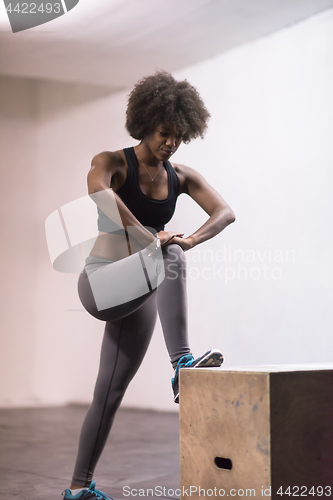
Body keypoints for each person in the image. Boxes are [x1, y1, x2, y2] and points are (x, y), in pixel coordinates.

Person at [62, 71, 235, 500]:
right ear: (145, 124)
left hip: (140, 290)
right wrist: (149, 236)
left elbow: (225, 212)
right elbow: (99, 193)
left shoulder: (182, 175)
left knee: (109, 392)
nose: (171, 143)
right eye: (164, 134)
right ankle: (182, 364)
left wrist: (190, 238)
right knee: (168, 252)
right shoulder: (113, 162)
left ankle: (78, 489)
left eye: (179, 136)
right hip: (102, 282)